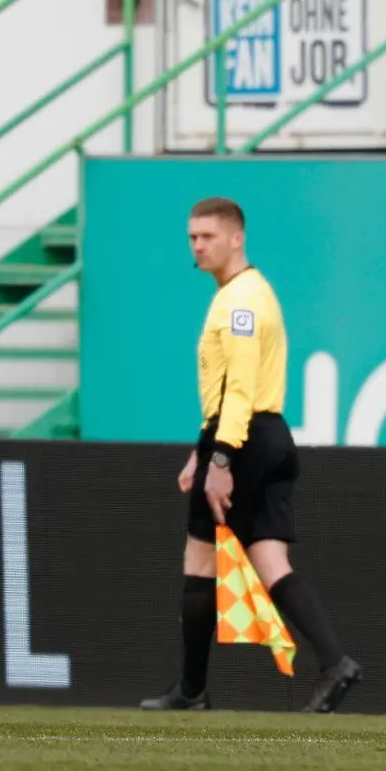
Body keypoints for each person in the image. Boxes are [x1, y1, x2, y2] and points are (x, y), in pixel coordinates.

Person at [140, 197, 361, 714]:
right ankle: (335, 662)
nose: (197, 245)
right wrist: (202, 450)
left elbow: (237, 389)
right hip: (264, 435)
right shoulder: (247, 294)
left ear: (236, 238)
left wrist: (218, 460)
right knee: (270, 560)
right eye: (192, 237)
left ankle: (191, 691)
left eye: (208, 236)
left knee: (199, 560)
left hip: (242, 440)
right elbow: (228, 391)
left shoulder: (240, 302)